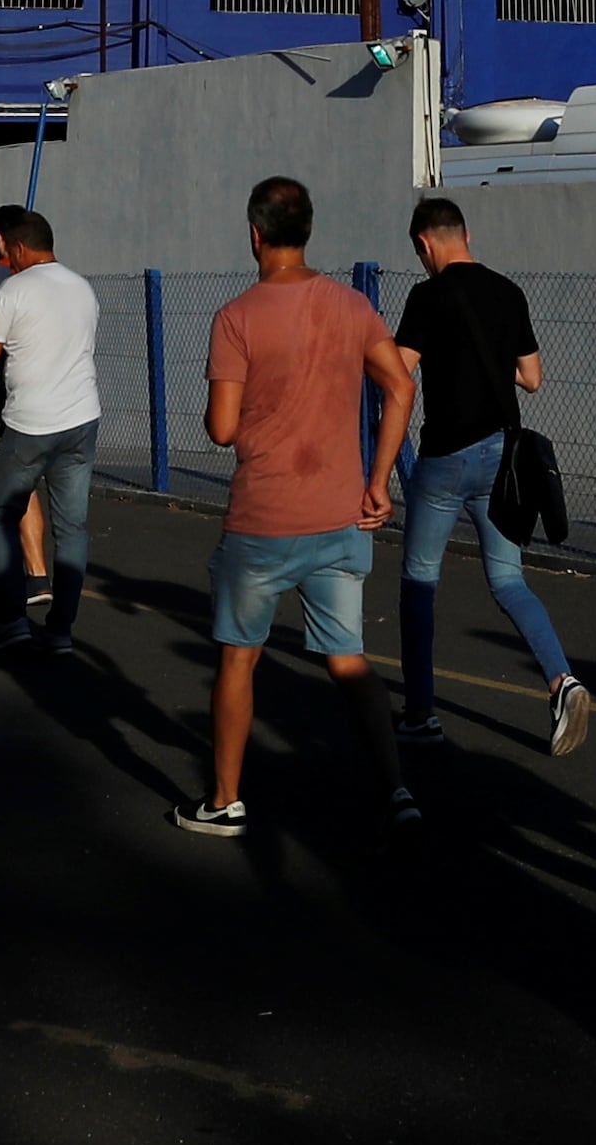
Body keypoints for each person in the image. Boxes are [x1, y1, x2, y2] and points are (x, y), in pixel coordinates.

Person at [173, 174, 417, 838]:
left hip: (264, 518)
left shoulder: (236, 316)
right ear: (306, 229)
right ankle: (394, 786)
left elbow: (222, 428)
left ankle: (225, 798)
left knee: (238, 657)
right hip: (341, 513)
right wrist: (379, 478)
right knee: (348, 658)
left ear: (255, 233)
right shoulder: (351, 305)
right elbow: (399, 385)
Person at [389, 193, 590, 757]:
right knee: (508, 580)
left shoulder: (427, 296)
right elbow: (532, 378)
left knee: (419, 581)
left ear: (425, 245)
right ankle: (561, 681)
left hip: (444, 458)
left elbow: (400, 372)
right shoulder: (508, 291)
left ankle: (421, 712)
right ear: (467, 235)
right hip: (501, 457)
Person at [0, 204, 101, 658]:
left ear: (18, 247)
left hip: (30, 420)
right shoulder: (82, 287)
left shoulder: (15, 289)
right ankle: (61, 629)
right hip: (82, 417)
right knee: (72, 526)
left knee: (0, 514)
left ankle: (11, 620)